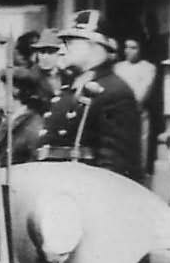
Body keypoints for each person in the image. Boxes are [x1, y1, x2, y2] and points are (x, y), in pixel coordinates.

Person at [36, 10, 142, 181]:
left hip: (87, 196)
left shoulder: (115, 93)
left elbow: (115, 167)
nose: (62, 49)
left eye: (70, 41)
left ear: (95, 44)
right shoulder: (69, 89)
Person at [114, 35, 156, 172]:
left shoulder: (148, 68)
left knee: (137, 149)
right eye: (127, 47)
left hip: (137, 113)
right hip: (118, 114)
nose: (129, 51)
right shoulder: (118, 68)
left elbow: (142, 93)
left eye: (133, 48)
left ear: (140, 49)